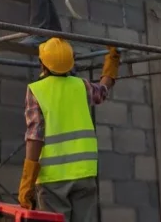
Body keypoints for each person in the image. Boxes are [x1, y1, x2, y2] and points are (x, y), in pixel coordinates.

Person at [18, 38, 121, 222]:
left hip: (52, 180)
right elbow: (103, 90)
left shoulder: (37, 90)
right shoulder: (81, 86)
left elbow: (35, 138)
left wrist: (27, 183)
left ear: (43, 64)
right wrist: (112, 61)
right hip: (84, 175)